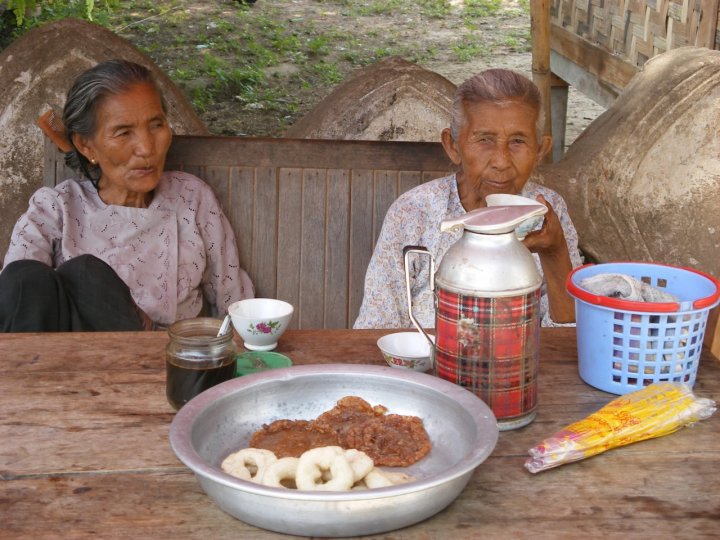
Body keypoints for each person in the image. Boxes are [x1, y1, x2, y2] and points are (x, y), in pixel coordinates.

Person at [0, 59, 254, 332]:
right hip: (69, 364)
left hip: (168, 361)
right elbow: (18, 299)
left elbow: (234, 302)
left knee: (86, 275)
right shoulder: (56, 207)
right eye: (123, 132)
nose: (146, 148)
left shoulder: (191, 198)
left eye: (156, 125)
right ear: (86, 145)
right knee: (28, 275)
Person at [354, 68, 582, 329]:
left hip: (519, 365)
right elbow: (377, 326)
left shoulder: (549, 213)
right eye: (484, 140)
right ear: (453, 145)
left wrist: (555, 252)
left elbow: (569, 336)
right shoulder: (414, 212)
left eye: (518, 141)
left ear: (541, 149)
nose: (501, 161)